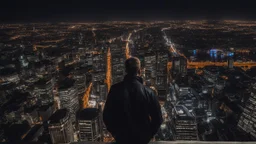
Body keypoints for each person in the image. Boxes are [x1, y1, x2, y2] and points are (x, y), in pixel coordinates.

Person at [103, 57, 163, 144]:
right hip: (142, 139)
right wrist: (147, 136)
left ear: (126, 70)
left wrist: (116, 134)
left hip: (122, 138)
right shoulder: (148, 92)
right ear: (139, 71)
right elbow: (158, 118)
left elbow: (107, 116)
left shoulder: (115, 89)